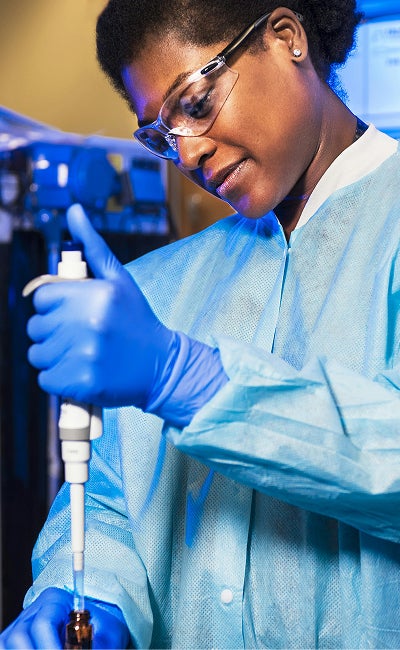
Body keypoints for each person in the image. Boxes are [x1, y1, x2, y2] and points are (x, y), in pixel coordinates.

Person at [2, 0, 400, 647]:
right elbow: (111, 503)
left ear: (286, 37)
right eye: (159, 135)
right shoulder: (155, 288)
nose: (185, 153)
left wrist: (190, 381)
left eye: (193, 103)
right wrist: (86, 595)